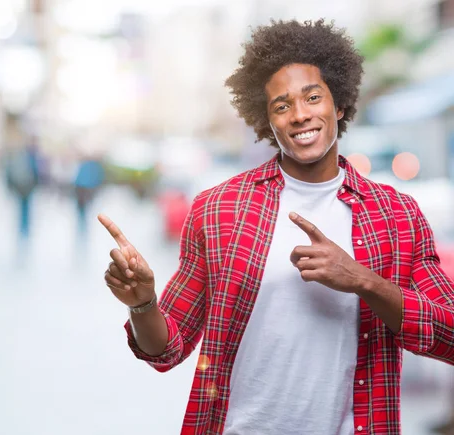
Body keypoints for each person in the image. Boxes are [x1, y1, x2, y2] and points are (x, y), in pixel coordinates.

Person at [98, 19, 454, 435]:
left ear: (338, 105)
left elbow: (449, 334)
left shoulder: (397, 215)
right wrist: (142, 303)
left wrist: (364, 281)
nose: (300, 114)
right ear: (267, 122)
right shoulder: (218, 209)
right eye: (282, 105)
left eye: (313, 97)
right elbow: (166, 350)